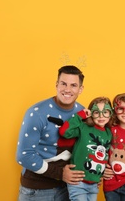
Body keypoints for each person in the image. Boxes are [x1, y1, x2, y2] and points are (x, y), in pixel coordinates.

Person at [16, 65, 86, 201]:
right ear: (56, 85)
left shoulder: (82, 112)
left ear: (80, 89)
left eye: (73, 85)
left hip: (69, 188)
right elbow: (23, 156)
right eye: (63, 84)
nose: (67, 89)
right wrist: (61, 173)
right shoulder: (36, 113)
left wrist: (93, 174)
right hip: (37, 190)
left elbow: (85, 146)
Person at [59, 96, 113, 201]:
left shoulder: (108, 133)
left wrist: (101, 174)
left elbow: (105, 156)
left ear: (110, 113)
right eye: (97, 112)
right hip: (78, 182)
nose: (101, 116)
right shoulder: (84, 127)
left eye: (105, 112)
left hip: (94, 184)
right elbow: (64, 132)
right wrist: (79, 116)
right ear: (91, 113)